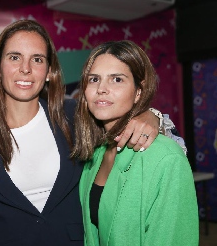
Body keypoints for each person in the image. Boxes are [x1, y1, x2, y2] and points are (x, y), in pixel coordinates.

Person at [0, 20, 173, 245]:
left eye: (37, 59)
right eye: (14, 57)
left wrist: (150, 115)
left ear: (49, 71)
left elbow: (119, 118)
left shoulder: (75, 117)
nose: (25, 68)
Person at [73, 40, 198, 245]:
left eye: (117, 80)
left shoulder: (167, 159)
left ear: (138, 92)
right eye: (94, 79)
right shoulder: (94, 155)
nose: (102, 89)